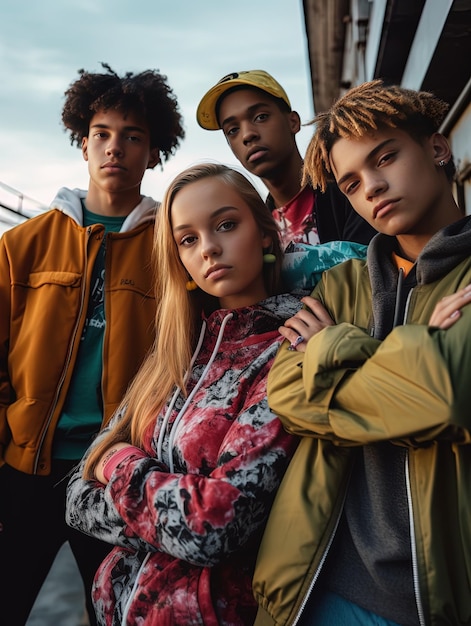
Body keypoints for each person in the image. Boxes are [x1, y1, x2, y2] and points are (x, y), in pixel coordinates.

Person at [252, 79, 471, 625]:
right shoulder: (343, 282)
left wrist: (327, 349)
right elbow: (285, 395)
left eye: (386, 157)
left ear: (437, 148)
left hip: (437, 595)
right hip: (319, 582)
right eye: (350, 183)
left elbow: (445, 395)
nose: (372, 187)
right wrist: (404, 357)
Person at [65, 163, 303, 626]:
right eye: (188, 239)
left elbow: (215, 528)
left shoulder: (287, 351)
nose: (209, 248)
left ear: (266, 234)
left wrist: (118, 462)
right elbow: (76, 501)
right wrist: (171, 510)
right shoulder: (173, 356)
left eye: (226, 225)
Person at [0, 63, 184, 626]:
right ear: (83, 142)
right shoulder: (22, 244)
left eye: (133, 137)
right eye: (102, 134)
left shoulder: (172, 247)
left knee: (118, 615)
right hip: (23, 469)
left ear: (154, 153)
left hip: (115, 471)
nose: (116, 148)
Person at [196, 69, 377, 250]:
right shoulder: (255, 233)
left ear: (293, 122)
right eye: (233, 130)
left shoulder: (348, 191)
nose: (247, 135)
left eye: (260, 117)